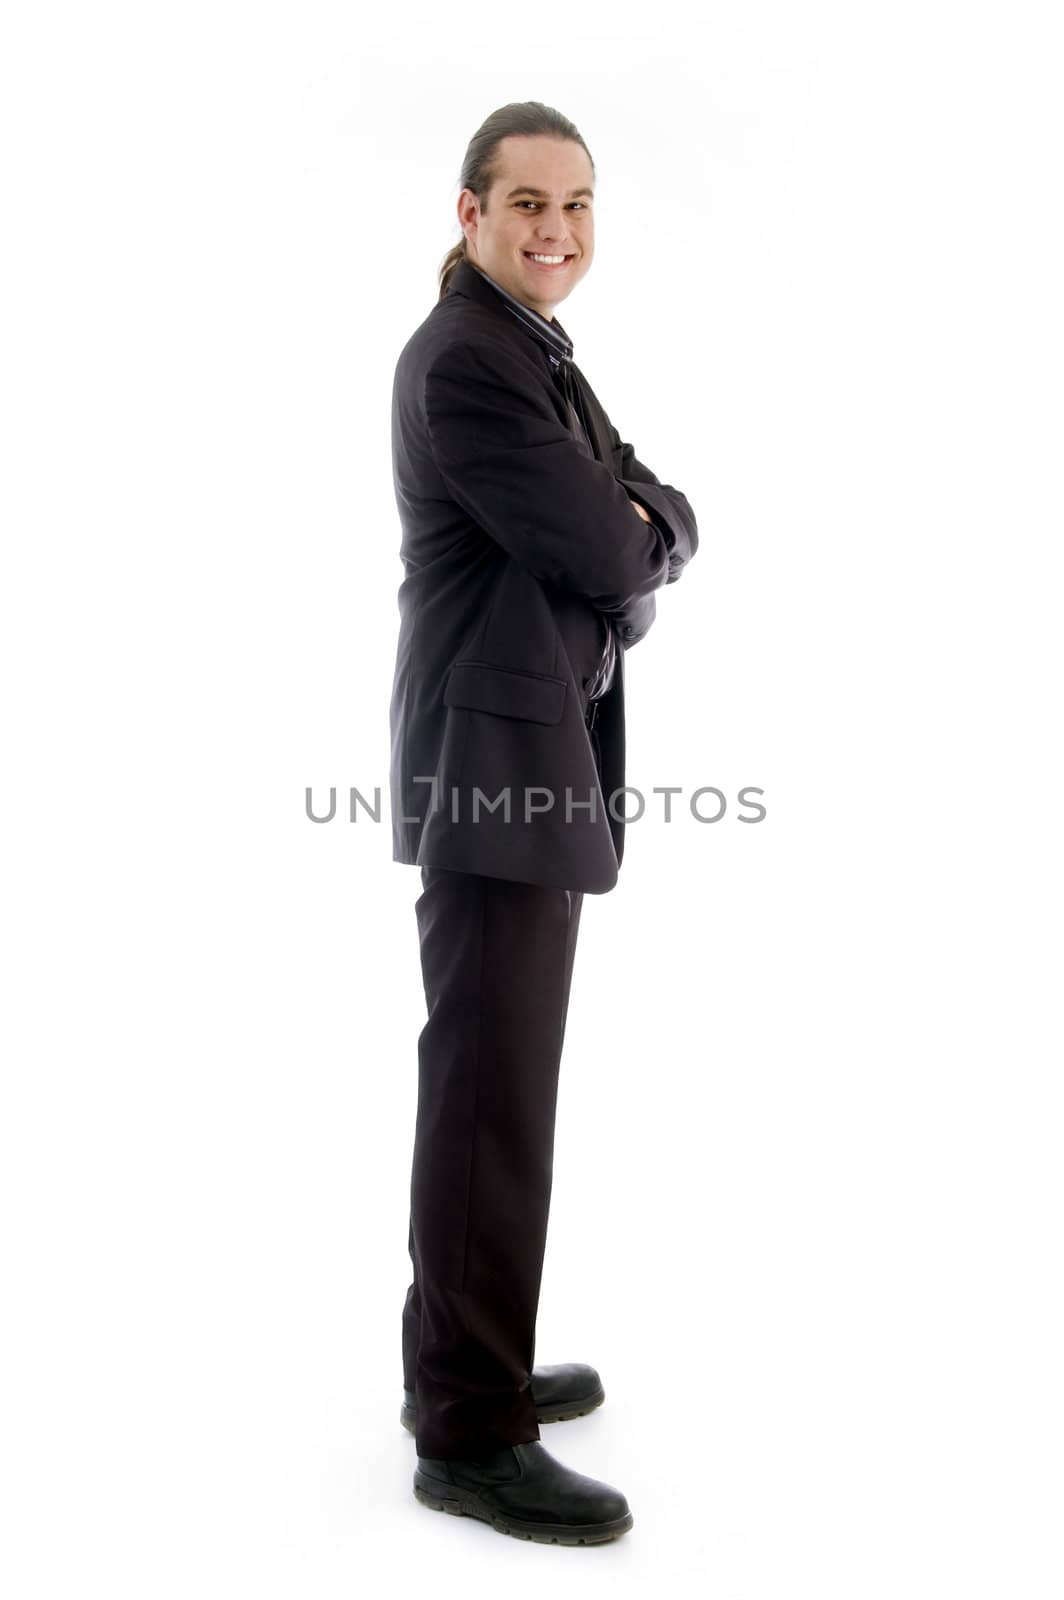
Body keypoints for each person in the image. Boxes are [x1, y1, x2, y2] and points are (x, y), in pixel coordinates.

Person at [388, 100, 699, 1544]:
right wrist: (631, 542)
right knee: (489, 1094)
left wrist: (642, 534)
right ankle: (466, 1427)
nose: (556, 230)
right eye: (526, 204)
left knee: (502, 1085)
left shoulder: (533, 349)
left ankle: (475, 1362)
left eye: (576, 206)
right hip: (492, 765)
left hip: (532, 756)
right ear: (469, 214)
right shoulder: (466, 362)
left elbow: (655, 508)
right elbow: (600, 539)